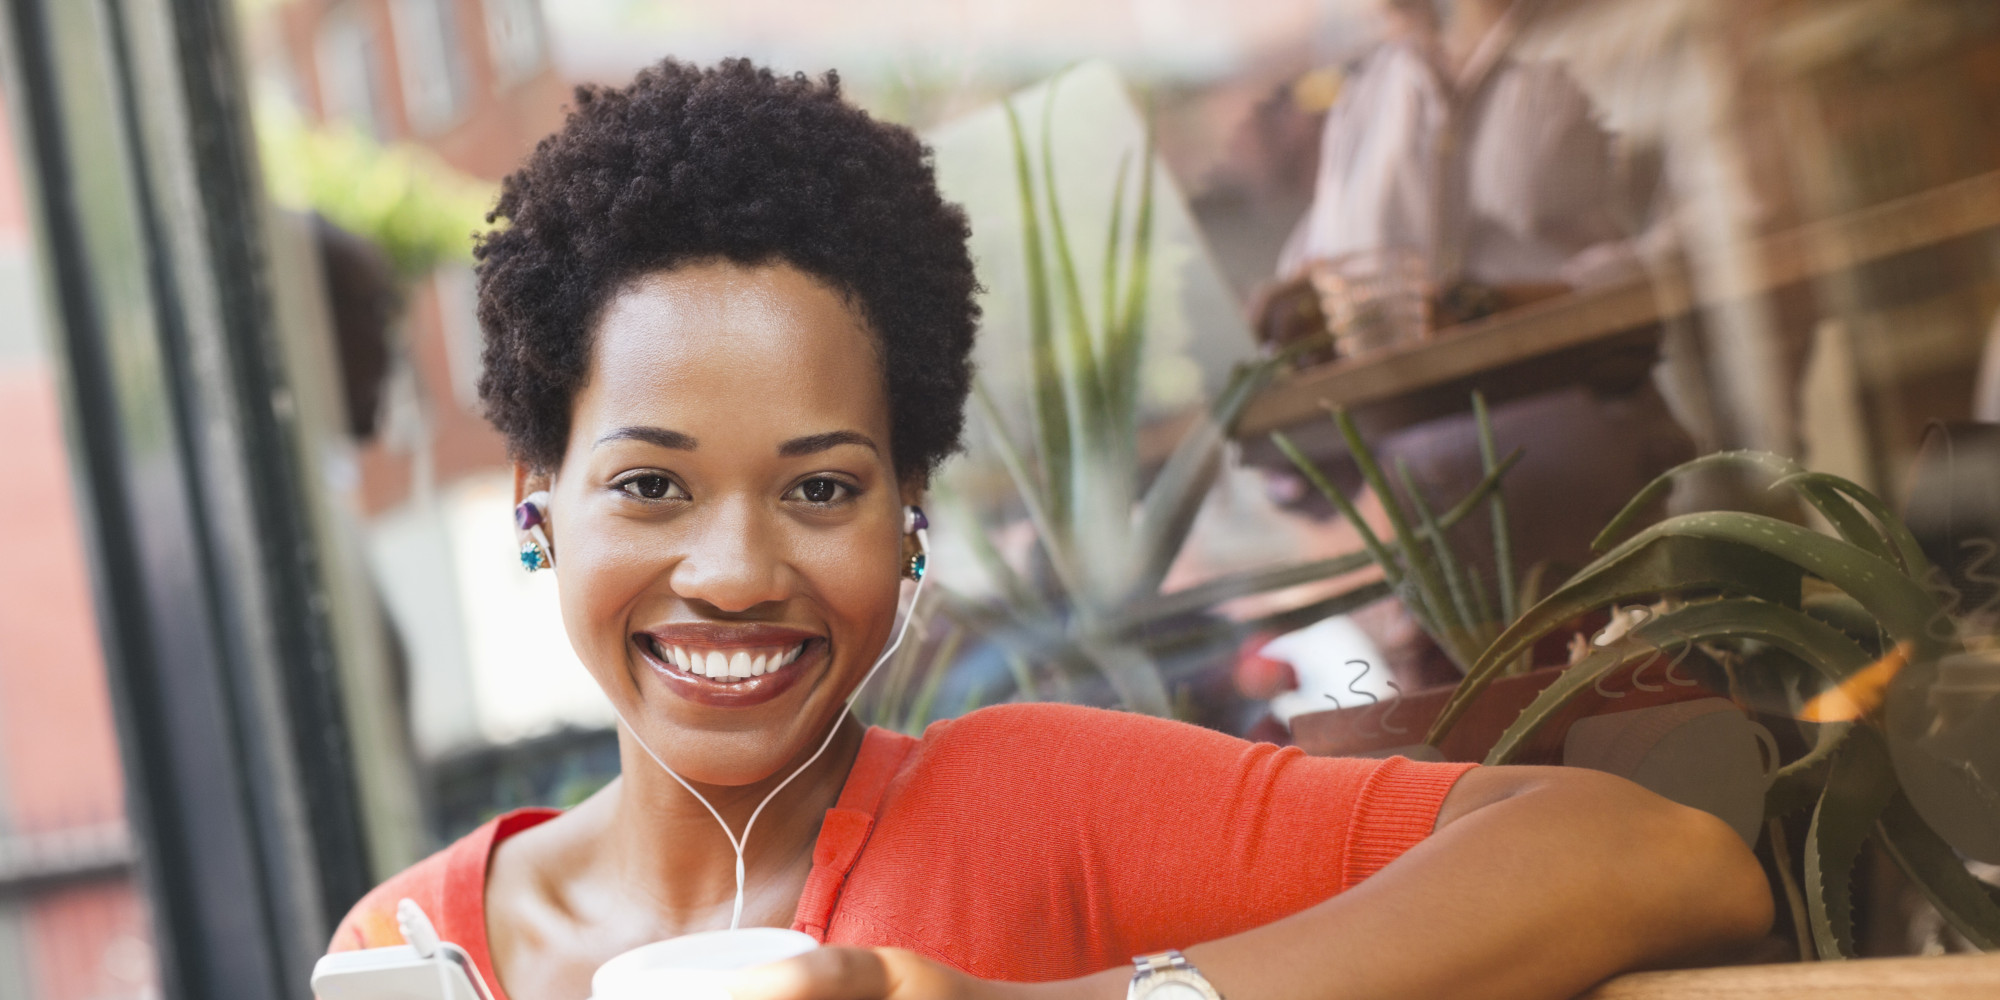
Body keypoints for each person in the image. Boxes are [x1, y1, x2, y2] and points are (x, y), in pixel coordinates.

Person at [329, 59, 1770, 1000]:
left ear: (910, 526)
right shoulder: (408, 947)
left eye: (822, 487)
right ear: (541, 515)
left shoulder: (1025, 809)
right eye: (652, 485)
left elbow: (1661, 855)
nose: (735, 572)